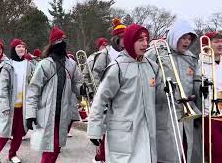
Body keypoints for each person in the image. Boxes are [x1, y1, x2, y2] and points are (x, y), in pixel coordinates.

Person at [88, 24, 159, 163]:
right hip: (124, 134)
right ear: (129, 41)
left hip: (147, 131)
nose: (145, 43)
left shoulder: (152, 66)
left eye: (146, 39)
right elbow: (101, 99)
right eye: (140, 39)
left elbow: (159, 96)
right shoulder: (118, 67)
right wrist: (95, 129)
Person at [145, 19, 201, 163]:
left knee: (187, 151)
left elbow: (195, 82)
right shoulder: (156, 52)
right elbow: (145, 79)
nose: (187, 41)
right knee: (167, 154)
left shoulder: (191, 58)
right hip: (164, 112)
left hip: (187, 112)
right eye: (183, 37)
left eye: (189, 38)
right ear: (175, 35)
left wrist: (199, 98)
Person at [25, 26, 84, 163]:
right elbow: (33, 90)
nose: (62, 43)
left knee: (56, 147)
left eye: (64, 40)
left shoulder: (72, 64)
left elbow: (77, 83)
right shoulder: (44, 65)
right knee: (49, 147)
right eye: (59, 40)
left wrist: (82, 89)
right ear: (52, 43)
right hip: (47, 113)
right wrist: (30, 114)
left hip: (63, 113)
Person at [0, 38, 35, 163]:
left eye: (23, 47)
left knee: (19, 132)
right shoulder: (8, 65)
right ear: (14, 49)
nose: (21, 49)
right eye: (18, 47)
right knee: (4, 131)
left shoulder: (29, 65)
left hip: (23, 106)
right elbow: (2, 87)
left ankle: (12, 154)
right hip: (9, 106)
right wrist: (4, 104)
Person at [199, 32, 222, 163]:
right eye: (216, 41)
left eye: (221, 41)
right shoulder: (201, 62)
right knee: (216, 153)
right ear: (208, 44)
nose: (220, 44)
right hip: (211, 115)